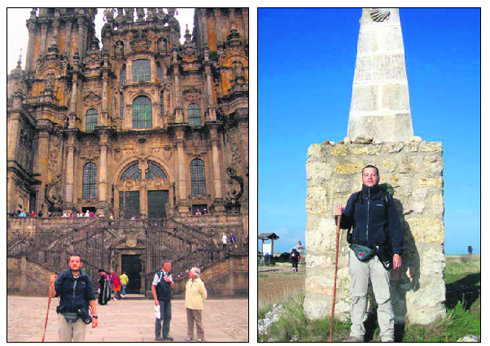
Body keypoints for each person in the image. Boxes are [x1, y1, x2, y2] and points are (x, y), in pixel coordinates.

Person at [335, 165, 403, 342]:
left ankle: (387, 336)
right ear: (362, 178)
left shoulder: (387, 200)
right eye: (366, 175)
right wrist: (339, 216)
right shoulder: (355, 198)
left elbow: (396, 228)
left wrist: (397, 252)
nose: (370, 177)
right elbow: (345, 224)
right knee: (358, 295)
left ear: (378, 178)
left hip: (380, 253)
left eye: (373, 174)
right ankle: (356, 333)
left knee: (384, 297)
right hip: (358, 253)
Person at [49, 254, 98, 342]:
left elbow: (91, 297)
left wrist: (95, 316)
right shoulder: (63, 277)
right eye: (72, 261)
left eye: (77, 261)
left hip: (80, 315)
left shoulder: (85, 278)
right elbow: (53, 295)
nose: (75, 263)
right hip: (64, 314)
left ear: (80, 264)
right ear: (69, 264)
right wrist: (52, 284)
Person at [151, 262, 174, 341]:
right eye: (169, 266)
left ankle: (165, 334)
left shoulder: (169, 274)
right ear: (164, 266)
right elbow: (153, 286)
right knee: (159, 317)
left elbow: (172, 285)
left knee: (168, 316)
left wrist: (170, 281)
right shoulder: (158, 275)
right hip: (160, 299)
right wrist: (155, 299)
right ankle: (158, 335)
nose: (170, 267)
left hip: (168, 299)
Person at [185, 267, 207, 342]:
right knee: (189, 321)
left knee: (198, 321)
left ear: (195, 274)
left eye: (191, 272)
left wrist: (199, 301)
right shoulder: (189, 281)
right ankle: (190, 335)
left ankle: (200, 336)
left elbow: (204, 294)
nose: (189, 273)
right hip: (189, 304)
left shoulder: (200, 283)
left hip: (196, 305)